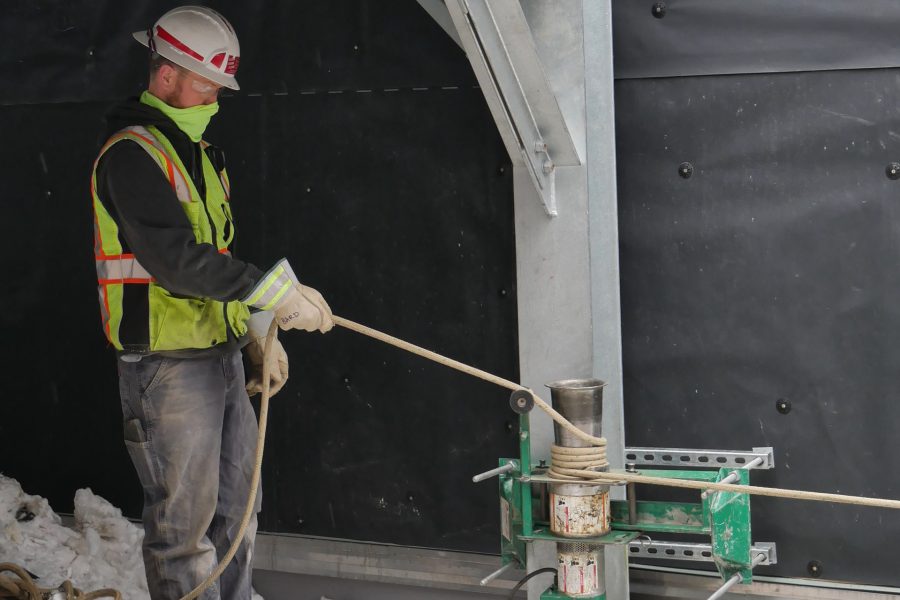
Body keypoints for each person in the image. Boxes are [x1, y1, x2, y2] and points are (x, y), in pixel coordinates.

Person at [89, 6, 331, 598]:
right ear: (166, 74)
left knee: (238, 510)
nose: (218, 96)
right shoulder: (132, 155)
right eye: (207, 83)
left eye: (223, 85)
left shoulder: (201, 156)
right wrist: (277, 294)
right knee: (184, 529)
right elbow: (175, 260)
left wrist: (253, 330)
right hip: (167, 370)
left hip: (218, 357)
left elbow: (216, 255)